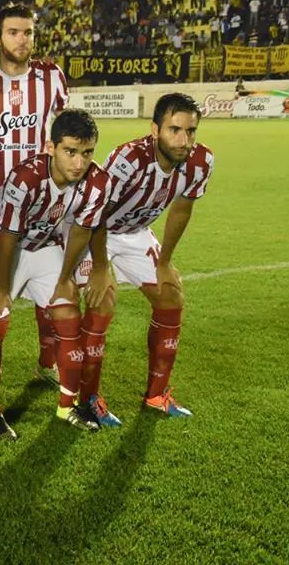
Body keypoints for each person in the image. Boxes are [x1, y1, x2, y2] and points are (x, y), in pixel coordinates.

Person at [77, 93, 214, 417]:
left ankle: (157, 395)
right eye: (175, 130)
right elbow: (97, 213)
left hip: (135, 234)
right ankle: (89, 399)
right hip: (95, 230)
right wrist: (99, 268)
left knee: (171, 297)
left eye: (191, 131)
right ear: (155, 130)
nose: (184, 140)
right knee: (103, 300)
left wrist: (164, 263)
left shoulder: (200, 162)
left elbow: (181, 210)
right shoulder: (129, 159)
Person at [0, 109, 111, 432]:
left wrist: (64, 279)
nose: (79, 163)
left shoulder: (97, 181)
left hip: (44, 245)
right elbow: (8, 234)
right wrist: (1, 288)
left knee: (68, 316)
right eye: (70, 152)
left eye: (87, 152)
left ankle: (67, 406)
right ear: (51, 147)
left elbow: (82, 230)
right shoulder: (25, 178)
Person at [0, 3, 71, 396]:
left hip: (43, 203)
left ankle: (47, 363)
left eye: (27, 31)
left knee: (53, 294)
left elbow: (64, 128)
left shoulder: (51, 77)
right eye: (13, 32)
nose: (22, 39)